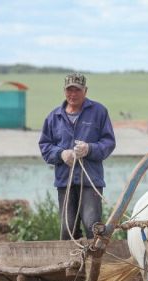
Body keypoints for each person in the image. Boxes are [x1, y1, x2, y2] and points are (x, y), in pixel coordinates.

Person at [39, 72, 116, 240]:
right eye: (69, 90)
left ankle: (95, 265)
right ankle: (73, 265)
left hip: (90, 181)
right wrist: (61, 154)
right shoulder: (54, 117)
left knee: (92, 227)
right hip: (65, 182)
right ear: (64, 91)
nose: (72, 94)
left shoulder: (99, 112)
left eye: (77, 90)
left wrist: (90, 149)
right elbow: (45, 147)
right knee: (67, 231)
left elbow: (109, 143)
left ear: (85, 91)